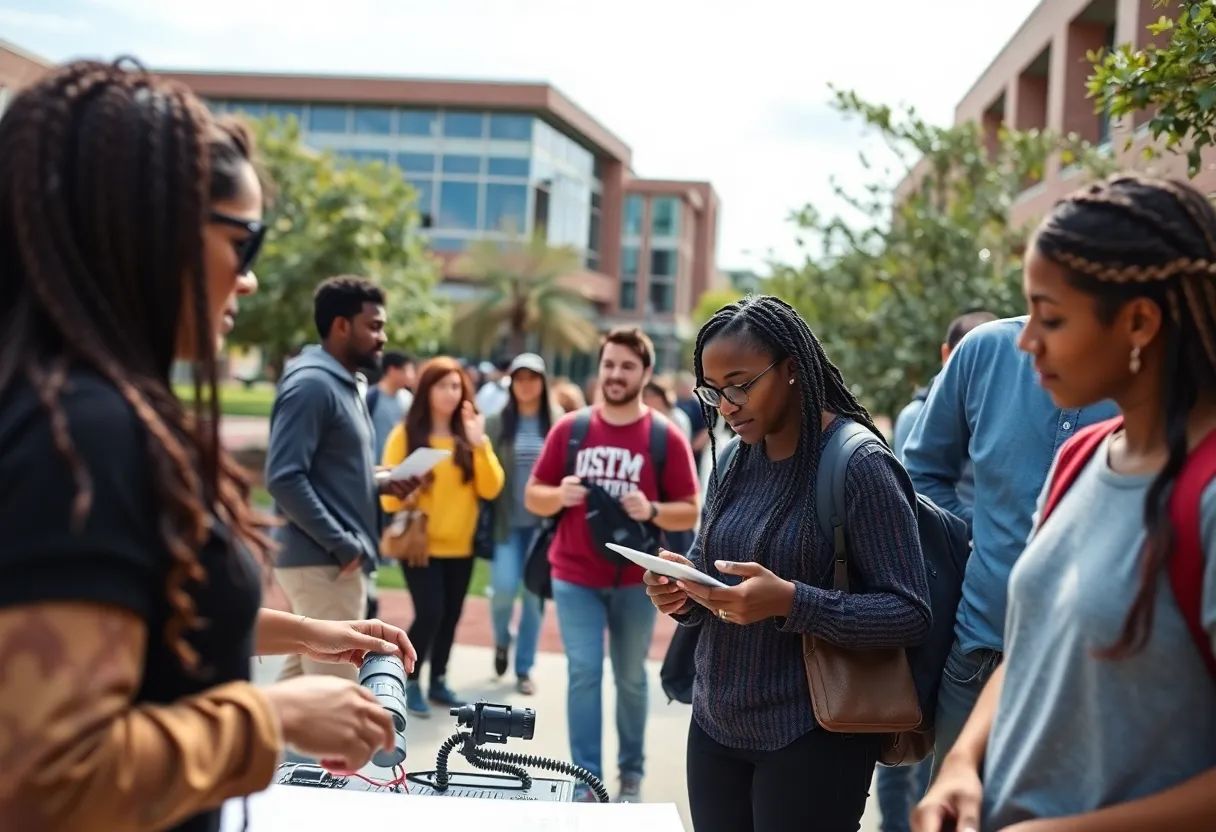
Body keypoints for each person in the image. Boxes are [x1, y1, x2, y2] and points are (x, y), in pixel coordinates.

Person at [0, 60, 417, 832]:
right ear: (149, 236)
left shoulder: (65, 405)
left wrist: (308, 633)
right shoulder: (83, 434)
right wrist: (274, 717)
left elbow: (142, 614)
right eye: (245, 243)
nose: (250, 281)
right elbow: (41, 775)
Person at [915, 175, 1216, 832]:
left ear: (1139, 321)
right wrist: (963, 762)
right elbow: (1031, 648)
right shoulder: (1081, 458)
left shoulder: (1208, 494)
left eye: (1050, 318)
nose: (1026, 342)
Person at [644, 295, 932, 832]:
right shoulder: (731, 458)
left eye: (741, 383)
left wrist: (793, 603)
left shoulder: (859, 464)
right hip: (715, 726)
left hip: (813, 734)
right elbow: (715, 569)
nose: (726, 405)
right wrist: (683, 593)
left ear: (794, 370)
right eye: (712, 390)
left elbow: (910, 612)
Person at [903, 313, 1117, 768]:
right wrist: (974, 534)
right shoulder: (985, 349)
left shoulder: (1148, 376)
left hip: (1089, 673)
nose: (1033, 339)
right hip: (978, 651)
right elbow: (922, 471)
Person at [525, 327, 700, 802]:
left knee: (629, 676)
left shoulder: (665, 435)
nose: (616, 374)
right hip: (574, 574)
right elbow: (533, 496)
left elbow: (690, 507)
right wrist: (558, 494)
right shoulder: (572, 429)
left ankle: (631, 774)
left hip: (637, 583)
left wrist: (654, 510)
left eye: (627, 365)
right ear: (598, 369)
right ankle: (587, 779)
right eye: (609, 364)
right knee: (583, 672)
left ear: (645, 372)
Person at [878, 308, 995, 832]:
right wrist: (979, 533)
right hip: (943, 589)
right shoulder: (915, 416)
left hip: (983, 594)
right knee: (907, 728)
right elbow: (918, 490)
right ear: (951, 359)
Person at [266, 276, 414, 682]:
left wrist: (382, 481)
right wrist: (342, 544)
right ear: (341, 326)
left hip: (327, 564)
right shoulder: (312, 385)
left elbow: (328, 471)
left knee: (300, 687)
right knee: (334, 696)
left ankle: (260, 748)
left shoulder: (343, 383)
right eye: (374, 326)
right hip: (325, 564)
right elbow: (283, 477)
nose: (383, 338)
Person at [381, 357, 505, 716]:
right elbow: (388, 496)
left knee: (451, 615)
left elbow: (492, 488)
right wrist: (408, 481)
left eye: (456, 386)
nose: (450, 393)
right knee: (430, 612)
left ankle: (439, 681)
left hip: (461, 547)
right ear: (426, 390)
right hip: (420, 546)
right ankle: (411, 680)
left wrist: (478, 443)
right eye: (442, 386)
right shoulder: (405, 434)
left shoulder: (469, 438)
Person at [485, 353, 562, 694]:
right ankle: (503, 639)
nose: (526, 384)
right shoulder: (496, 423)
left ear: (543, 382)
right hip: (506, 523)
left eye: (533, 377)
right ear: (511, 382)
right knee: (502, 589)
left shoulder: (558, 422)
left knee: (533, 597)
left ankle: (524, 667)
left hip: (542, 528)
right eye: (520, 378)